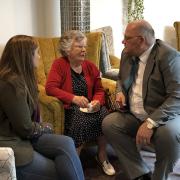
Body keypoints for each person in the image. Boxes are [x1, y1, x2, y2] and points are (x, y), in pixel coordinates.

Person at [102, 20, 180, 180]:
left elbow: (177, 96)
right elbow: (121, 80)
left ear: (141, 40)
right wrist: (120, 92)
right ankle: (140, 173)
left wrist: (151, 122)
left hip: (162, 116)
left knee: (169, 135)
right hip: (134, 113)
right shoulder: (127, 53)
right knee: (109, 123)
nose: (123, 41)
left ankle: (160, 176)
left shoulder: (168, 56)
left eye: (126, 38)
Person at [0, 35, 85, 180]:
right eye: (37, 52)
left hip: (23, 136)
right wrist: (47, 127)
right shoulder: (10, 84)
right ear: (26, 56)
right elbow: (25, 128)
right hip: (12, 143)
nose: (39, 57)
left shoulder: (23, 78)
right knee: (62, 171)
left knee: (67, 142)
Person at [45, 30, 115, 176]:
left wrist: (97, 100)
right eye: (79, 47)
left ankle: (102, 155)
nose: (84, 50)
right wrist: (73, 98)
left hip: (90, 107)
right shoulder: (59, 65)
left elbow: (99, 89)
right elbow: (50, 88)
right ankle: (74, 160)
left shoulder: (90, 66)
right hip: (71, 108)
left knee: (105, 115)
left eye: (84, 46)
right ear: (67, 50)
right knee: (80, 119)